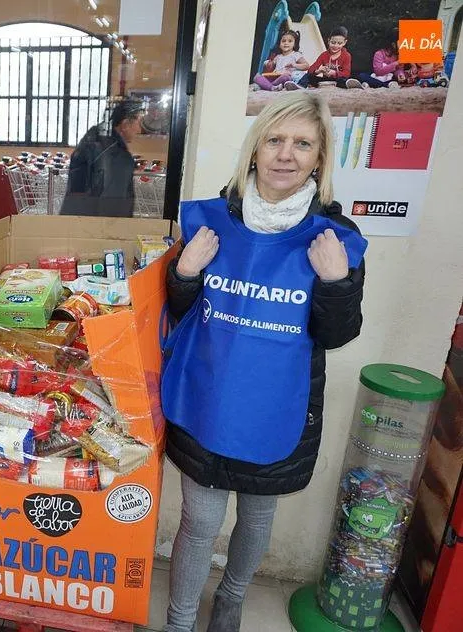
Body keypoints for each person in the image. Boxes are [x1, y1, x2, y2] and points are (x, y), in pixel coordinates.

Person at [161, 92, 367, 632]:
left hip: (280, 407)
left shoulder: (334, 238)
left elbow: (338, 334)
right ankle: (180, 621)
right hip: (206, 397)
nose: (285, 154)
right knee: (199, 522)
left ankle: (231, 598)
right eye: (274, 140)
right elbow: (178, 312)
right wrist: (184, 272)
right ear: (255, 149)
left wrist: (336, 282)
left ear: (319, 158)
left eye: (303, 143)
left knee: (256, 517)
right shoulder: (212, 221)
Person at [60, 97, 145, 217]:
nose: (139, 130)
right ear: (125, 124)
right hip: (96, 224)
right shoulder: (116, 156)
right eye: (139, 123)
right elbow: (112, 205)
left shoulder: (93, 141)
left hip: (77, 219)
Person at [287, 26, 352, 89]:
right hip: (325, 81)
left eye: (339, 43)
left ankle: (350, 85)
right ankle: (300, 86)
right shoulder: (324, 55)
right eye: (333, 42)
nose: (335, 46)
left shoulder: (346, 55)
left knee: (344, 80)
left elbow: (346, 73)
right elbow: (310, 70)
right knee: (308, 76)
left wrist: (334, 73)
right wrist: (319, 71)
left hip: (338, 81)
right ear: (328, 41)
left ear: (344, 42)